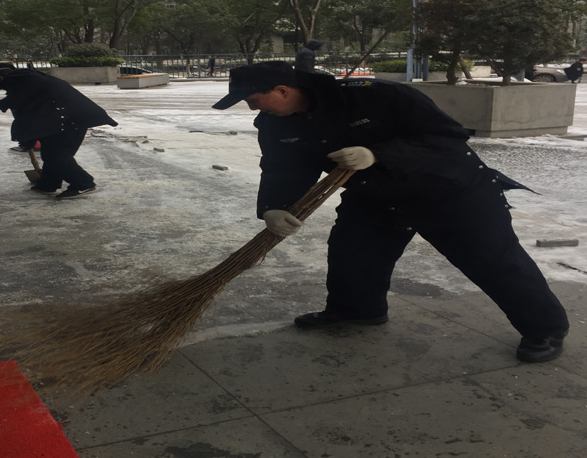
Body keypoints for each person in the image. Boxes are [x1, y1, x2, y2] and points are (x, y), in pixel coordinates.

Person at [212, 61, 569, 363]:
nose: (253, 109)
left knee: (493, 260)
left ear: (283, 90)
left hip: (447, 189)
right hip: (376, 194)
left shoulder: (377, 95)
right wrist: (273, 207)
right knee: (353, 253)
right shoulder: (276, 122)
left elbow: (447, 138)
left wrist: (378, 154)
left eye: (254, 99)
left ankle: (546, 329)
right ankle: (357, 310)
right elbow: (282, 167)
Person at [0, 64, 118, 199]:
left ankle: (84, 184)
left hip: (72, 119)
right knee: (51, 153)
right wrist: (28, 137)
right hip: (64, 119)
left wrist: (9, 101)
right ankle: (48, 184)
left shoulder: (23, 78)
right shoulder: (23, 84)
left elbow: (33, 90)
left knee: (56, 155)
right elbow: (30, 115)